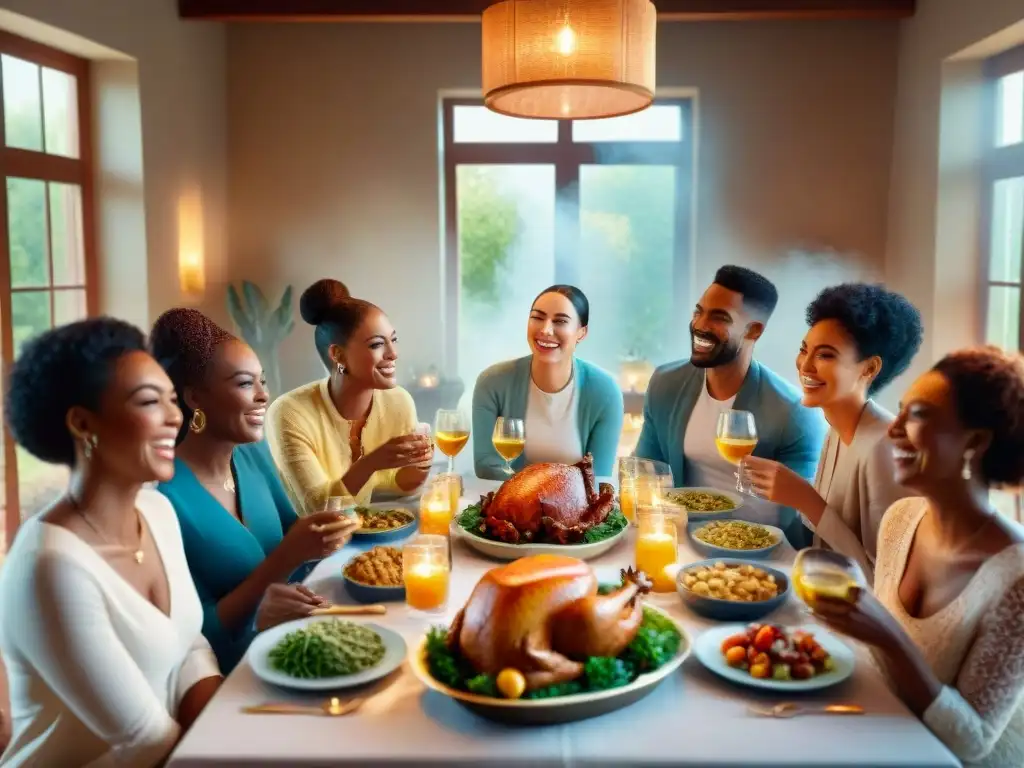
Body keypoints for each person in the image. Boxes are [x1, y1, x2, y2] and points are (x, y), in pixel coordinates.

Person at [0, 318, 222, 766]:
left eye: (172, 400)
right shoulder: (50, 565)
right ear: (83, 423)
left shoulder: (157, 512)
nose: (175, 417)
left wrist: (226, 719)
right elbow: (146, 739)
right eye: (148, 402)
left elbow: (188, 644)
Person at [811, 347, 1024, 766]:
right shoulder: (901, 520)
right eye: (902, 409)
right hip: (883, 734)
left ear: (976, 441)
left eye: (920, 414)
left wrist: (887, 636)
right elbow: (875, 663)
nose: (894, 430)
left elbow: (971, 742)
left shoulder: (1015, 578)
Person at [150, 308, 357, 673]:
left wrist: (324, 534)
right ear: (196, 397)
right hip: (234, 672)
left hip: (296, 642)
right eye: (246, 384)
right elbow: (194, 633)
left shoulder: (251, 452)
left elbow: (295, 534)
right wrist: (281, 566)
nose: (264, 396)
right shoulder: (165, 499)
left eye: (262, 381)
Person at [743, 283, 923, 581]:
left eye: (825, 355)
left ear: (869, 369)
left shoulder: (885, 448)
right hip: (824, 594)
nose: (806, 366)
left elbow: (885, 581)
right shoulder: (836, 430)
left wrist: (805, 498)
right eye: (804, 350)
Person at [634, 265, 827, 536]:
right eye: (698, 312)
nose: (700, 325)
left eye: (719, 317)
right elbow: (645, 469)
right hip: (682, 537)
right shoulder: (666, 383)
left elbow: (802, 517)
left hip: (760, 550)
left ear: (754, 331)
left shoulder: (793, 413)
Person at [267, 280, 433, 514]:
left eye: (393, 340)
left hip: (363, 534)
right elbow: (317, 508)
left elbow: (397, 486)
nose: (393, 354)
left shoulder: (399, 401)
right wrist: (371, 462)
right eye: (376, 344)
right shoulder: (289, 413)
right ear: (338, 354)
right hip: (309, 543)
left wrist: (421, 464)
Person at [473, 285, 623, 480]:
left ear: (581, 332)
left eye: (560, 321)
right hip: (508, 508)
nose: (545, 330)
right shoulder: (492, 383)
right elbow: (486, 466)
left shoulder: (605, 392)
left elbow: (599, 478)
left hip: (578, 509)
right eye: (537, 317)